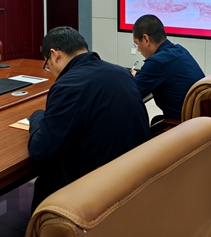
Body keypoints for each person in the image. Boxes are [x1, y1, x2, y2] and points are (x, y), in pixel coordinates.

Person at [28, 26, 150, 210]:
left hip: (100, 186)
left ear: (55, 55)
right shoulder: (122, 73)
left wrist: (37, 117)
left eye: (48, 64)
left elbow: (41, 151)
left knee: (47, 178)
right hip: (137, 171)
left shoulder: (68, 85)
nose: (50, 70)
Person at [131, 14, 205, 122]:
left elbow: (131, 91)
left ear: (146, 39)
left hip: (183, 125)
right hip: (201, 120)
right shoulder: (180, 50)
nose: (138, 49)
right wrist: (139, 75)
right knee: (157, 120)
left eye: (137, 44)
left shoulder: (156, 63)